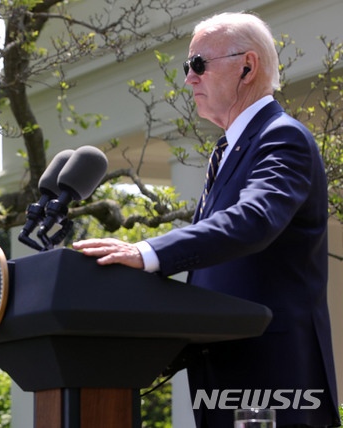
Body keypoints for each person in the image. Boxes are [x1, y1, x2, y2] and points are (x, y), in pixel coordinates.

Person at [73, 12, 339, 428]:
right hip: (224, 374)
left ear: (247, 67)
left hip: (271, 380)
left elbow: (252, 220)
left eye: (198, 64)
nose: (188, 79)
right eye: (186, 67)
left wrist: (146, 251)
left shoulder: (282, 137)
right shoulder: (227, 151)